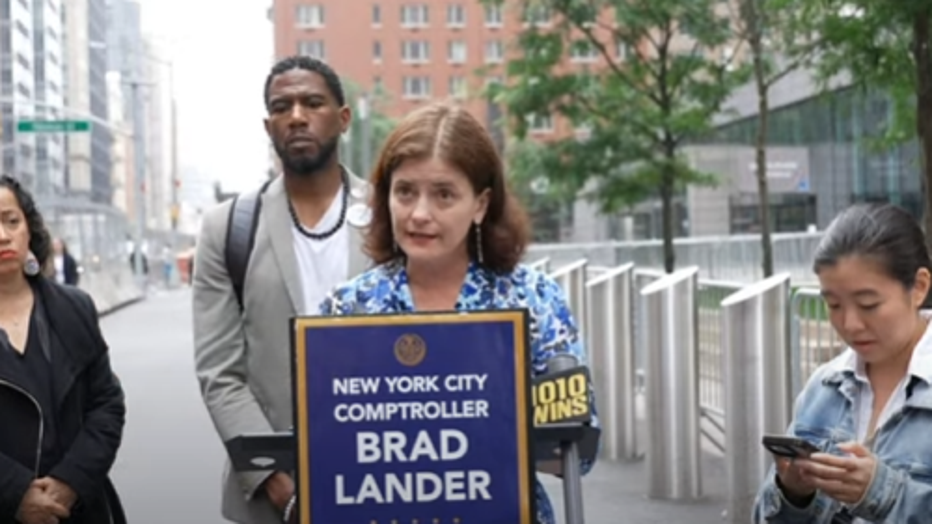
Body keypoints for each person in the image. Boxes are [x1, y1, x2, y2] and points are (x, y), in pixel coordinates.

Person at [317, 101, 599, 524]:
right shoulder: (348, 308)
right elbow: (321, 445)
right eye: (405, 191)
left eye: (444, 194)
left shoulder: (533, 299)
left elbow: (579, 452)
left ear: (481, 204)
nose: (420, 214)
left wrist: (486, 430)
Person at [193, 55, 372, 524]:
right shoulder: (228, 228)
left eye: (312, 103)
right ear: (268, 126)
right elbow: (219, 373)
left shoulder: (392, 218)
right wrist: (278, 485)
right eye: (281, 107)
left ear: (343, 118)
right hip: (274, 499)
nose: (296, 116)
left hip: (384, 478)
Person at [753, 202, 932, 523]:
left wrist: (882, 493)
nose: (850, 324)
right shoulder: (825, 387)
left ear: (919, 287)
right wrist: (794, 494)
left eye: (868, 304)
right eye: (833, 305)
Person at [0, 175, 126, 524]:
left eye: (11, 221)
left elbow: (107, 404)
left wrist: (70, 482)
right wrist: (15, 494)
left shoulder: (74, 308)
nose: (3, 235)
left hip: (80, 507)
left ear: (29, 229)